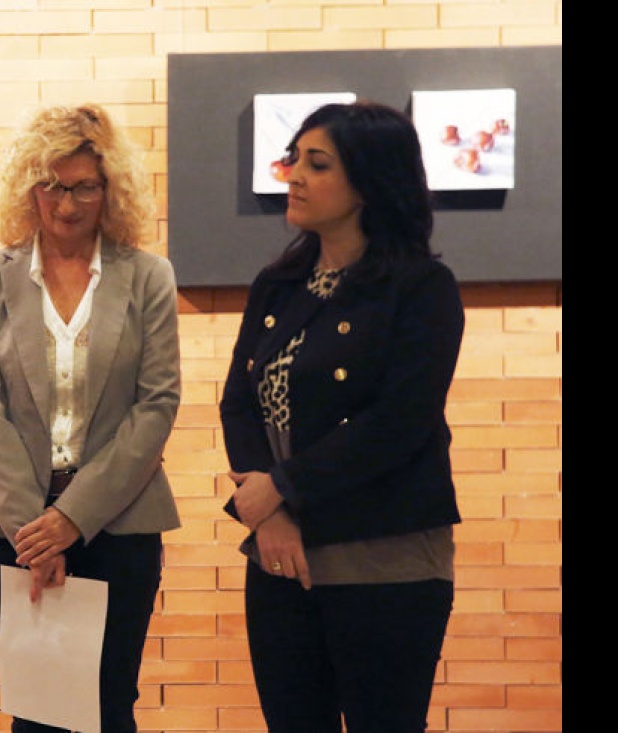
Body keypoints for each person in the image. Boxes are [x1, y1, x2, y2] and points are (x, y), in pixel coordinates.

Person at [219, 101, 464, 732]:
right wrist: (268, 509)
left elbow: (399, 423)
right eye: (293, 158)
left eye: (317, 163)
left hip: (385, 558)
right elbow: (239, 403)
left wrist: (282, 487)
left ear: (370, 182)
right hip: (279, 556)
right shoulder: (278, 282)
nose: (293, 174)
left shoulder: (420, 287)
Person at [0, 103, 181, 733]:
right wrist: (38, 530)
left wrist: (71, 520)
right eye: (51, 185)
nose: (67, 204)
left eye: (84, 186)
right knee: (40, 709)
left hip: (121, 524)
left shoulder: (148, 277)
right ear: (28, 186)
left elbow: (157, 404)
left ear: (110, 190)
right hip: (13, 527)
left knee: (110, 707)